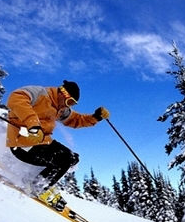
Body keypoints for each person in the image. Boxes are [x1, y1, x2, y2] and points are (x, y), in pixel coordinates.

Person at [6, 80, 110, 211]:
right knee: (63, 160)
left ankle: (38, 180)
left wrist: (95, 117)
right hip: (23, 142)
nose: (69, 106)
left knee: (72, 158)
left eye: (72, 104)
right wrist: (33, 125)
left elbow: (75, 119)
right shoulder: (39, 93)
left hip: (41, 142)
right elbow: (16, 98)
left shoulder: (60, 108)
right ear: (63, 93)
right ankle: (38, 187)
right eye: (69, 102)